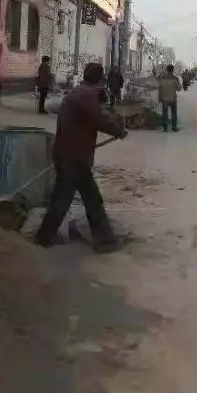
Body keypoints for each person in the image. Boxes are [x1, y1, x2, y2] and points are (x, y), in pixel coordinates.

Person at [35, 62, 128, 253]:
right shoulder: (87, 95)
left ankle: (44, 237)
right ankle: (105, 241)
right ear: (100, 79)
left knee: (69, 198)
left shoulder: (79, 92)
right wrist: (118, 130)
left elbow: (96, 115)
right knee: (84, 200)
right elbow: (100, 119)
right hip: (74, 158)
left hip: (68, 154)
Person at [157, 64, 182, 132]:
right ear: (173, 70)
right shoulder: (175, 79)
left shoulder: (162, 78)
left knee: (164, 113)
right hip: (172, 98)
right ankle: (174, 127)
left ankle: (165, 128)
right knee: (174, 113)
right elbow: (179, 88)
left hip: (164, 98)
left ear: (166, 70)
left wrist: (159, 98)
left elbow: (158, 87)